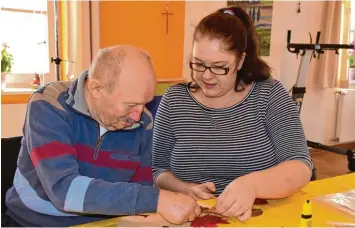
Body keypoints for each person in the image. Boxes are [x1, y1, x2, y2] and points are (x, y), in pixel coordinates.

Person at [4, 45, 201, 227]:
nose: (138, 115)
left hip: (103, 223)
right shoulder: (49, 104)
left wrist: (170, 197)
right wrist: (158, 200)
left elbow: (139, 188)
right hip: (35, 222)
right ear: (96, 89)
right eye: (131, 105)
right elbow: (64, 190)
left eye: (146, 103)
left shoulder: (144, 122)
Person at [152, 7, 313, 222]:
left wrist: (252, 185)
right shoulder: (174, 101)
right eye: (198, 64)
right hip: (191, 218)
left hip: (263, 218)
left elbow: (300, 166)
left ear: (239, 61)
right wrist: (185, 188)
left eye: (219, 67)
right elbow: (159, 171)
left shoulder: (269, 95)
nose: (206, 76)